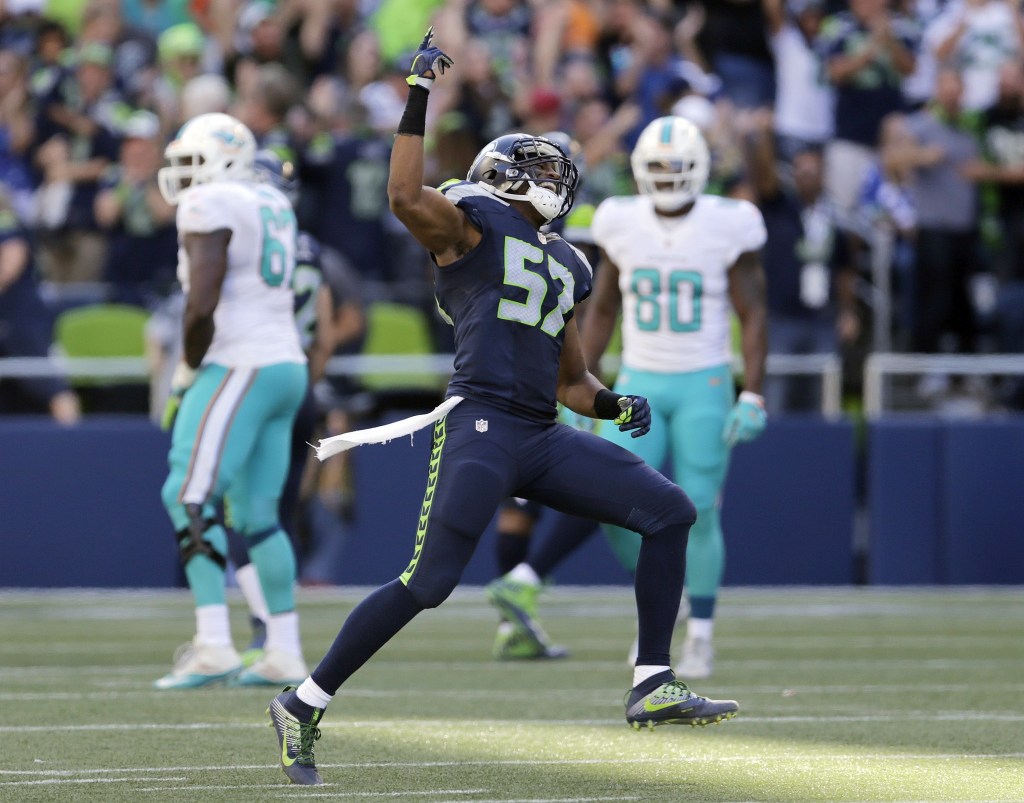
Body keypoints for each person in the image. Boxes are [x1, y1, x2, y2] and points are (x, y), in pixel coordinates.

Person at [266, 29, 739, 787]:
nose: (555, 176)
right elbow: (400, 195)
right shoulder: (470, 223)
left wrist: (616, 406)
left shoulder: (567, 262)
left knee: (670, 511)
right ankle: (304, 699)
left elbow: (572, 379)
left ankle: (652, 679)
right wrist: (418, 94)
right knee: (429, 582)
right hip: (481, 421)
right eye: (542, 165)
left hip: (541, 432)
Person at [489, 115, 769, 680]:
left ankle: (702, 635)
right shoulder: (622, 221)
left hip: (704, 380)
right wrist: (577, 380)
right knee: (614, 503)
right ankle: (666, 601)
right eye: (658, 168)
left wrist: (754, 392)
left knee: (702, 509)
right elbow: (604, 309)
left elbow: (753, 310)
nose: (667, 178)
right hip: (638, 380)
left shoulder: (729, 222)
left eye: (677, 168)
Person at [153, 112, 310, 690]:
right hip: (286, 364)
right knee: (259, 517)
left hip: (239, 362)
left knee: (188, 493)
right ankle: (284, 651)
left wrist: (190, 366)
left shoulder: (212, 203)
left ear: (223, 161)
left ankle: (215, 643)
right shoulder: (271, 201)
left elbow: (201, 304)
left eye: (193, 162)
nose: (185, 178)